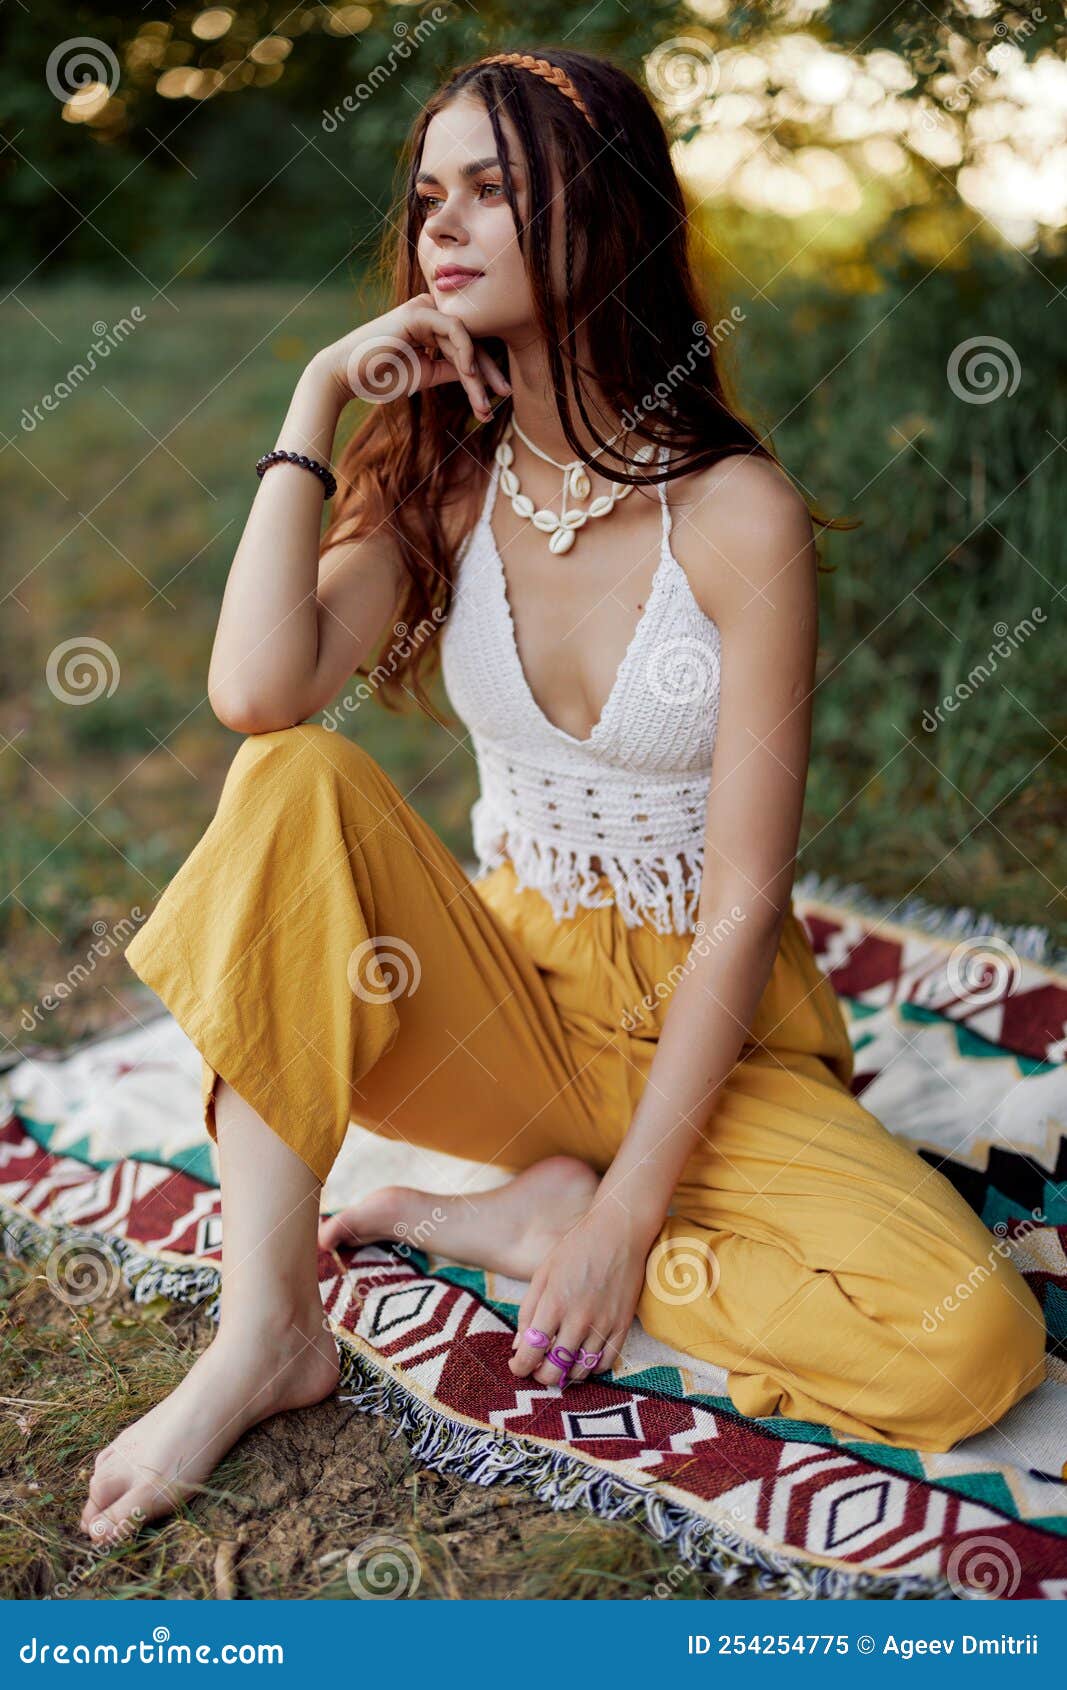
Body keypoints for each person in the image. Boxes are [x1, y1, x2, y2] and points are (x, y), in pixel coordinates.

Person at [81, 47, 1046, 1542]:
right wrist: (318, 393)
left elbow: (739, 904)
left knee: (973, 1340)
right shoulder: (445, 487)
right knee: (293, 779)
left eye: (490, 191)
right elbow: (256, 692)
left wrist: (614, 1224)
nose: (439, 228)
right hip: (498, 999)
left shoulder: (740, 518)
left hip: (711, 1041)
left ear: (599, 218)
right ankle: (265, 1328)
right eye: (426, 199)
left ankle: (524, 1220)